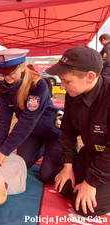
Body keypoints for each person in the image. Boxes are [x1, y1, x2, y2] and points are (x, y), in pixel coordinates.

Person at [46, 46, 110, 217]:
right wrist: (68, 165)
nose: (62, 87)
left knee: (84, 207)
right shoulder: (74, 92)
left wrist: (91, 182)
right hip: (91, 154)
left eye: (67, 81)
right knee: (65, 188)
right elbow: (67, 130)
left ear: (90, 77)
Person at [0, 48, 62, 184]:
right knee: (21, 163)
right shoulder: (4, 87)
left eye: (10, 72)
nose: (7, 78)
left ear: (22, 66)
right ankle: (41, 148)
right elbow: (4, 121)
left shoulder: (38, 85)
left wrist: (5, 151)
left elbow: (27, 121)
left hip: (53, 133)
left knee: (48, 177)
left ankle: (54, 148)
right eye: (3, 73)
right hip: (33, 132)